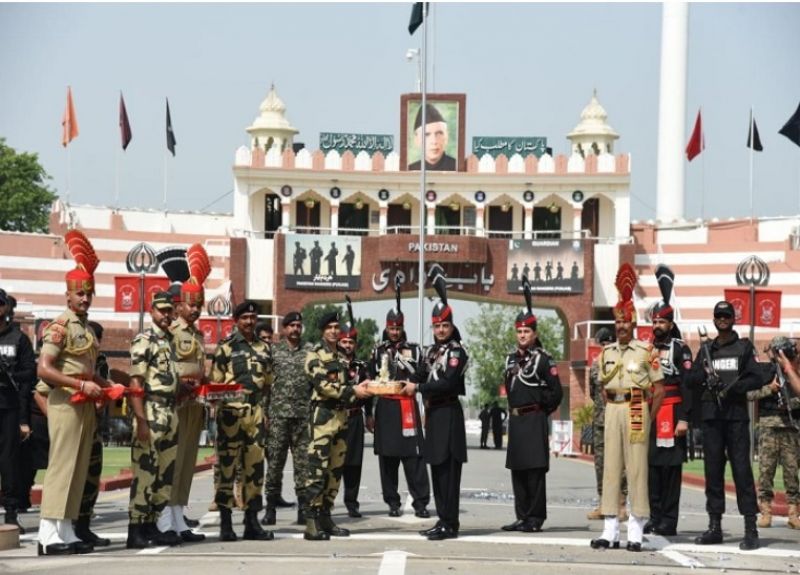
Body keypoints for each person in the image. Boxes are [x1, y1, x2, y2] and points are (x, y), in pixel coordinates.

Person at [36, 230, 109, 556]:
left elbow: (87, 368)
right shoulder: (60, 326)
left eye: (88, 293)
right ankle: (47, 534)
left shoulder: (84, 328)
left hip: (84, 405)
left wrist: (106, 387)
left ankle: (64, 529)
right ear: (67, 296)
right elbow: (44, 368)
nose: (84, 298)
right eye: (79, 294)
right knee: (62, 467)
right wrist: (81, 385)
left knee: (78, 469)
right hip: (66, 402)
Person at [590, 263, 664, 553]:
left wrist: (649, 417)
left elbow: (657, 390)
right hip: (613, 409)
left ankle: (635, 529)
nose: (621, 326)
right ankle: (610, 530)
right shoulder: (605, 353)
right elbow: (601, 388)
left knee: (636, 471)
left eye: (626, 322)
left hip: (636, 408)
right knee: (610, 470)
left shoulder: (646, 352)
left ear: (633, 323)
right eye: (617, 322)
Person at [688, 300, 765, 550]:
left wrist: (733, 389)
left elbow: (757, 376)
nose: (722, 319)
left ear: (733, 319)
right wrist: (704, 378)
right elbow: (691, 379)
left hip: (735, 418)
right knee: (712, 472)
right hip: (711, 418)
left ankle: (750, 528)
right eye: (719, 315)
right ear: (714, 319)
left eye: (726, 315)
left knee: (742, 472)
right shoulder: (706, 349)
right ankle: (714, 527)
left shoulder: (743, 348)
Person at [402, 275, 468, 541]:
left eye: (445, 325)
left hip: (449, 413)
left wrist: (417, 389)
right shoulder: (430, 352)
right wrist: (393, 384)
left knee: (449, 473)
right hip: (434, 415)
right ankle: (442, 519)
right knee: (438, 471)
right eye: (437, 326)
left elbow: (447, 382)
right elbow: (418, 375)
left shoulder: (456, 352)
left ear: (452, 326)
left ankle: (450, 524)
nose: (440, 330)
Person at [158, 244, 212, 543]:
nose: (195, 309)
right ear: (179, 305)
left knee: (188, 460)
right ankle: (165, 518)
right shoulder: (173, 332)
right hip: (175, 404)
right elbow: (167, 367)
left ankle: (179, 514)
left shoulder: (196, 334)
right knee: (173, 461)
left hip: (194, 403)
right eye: (191, 304)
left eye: (199, 304)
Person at [303, 311, 371, 541]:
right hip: (322, 419)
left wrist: (361, 387)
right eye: (329, 327)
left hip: (341, 419)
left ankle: (325, 516)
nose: (333, 330)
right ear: (322, 330)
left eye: (336, 327)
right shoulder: (314, 355)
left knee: (335, 470)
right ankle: (311, 522)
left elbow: (345, 385)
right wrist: (353, 391)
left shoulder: (341, 356)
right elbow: (323, 386)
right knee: (317, 470)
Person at [501, 281, 563, 532]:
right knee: (518, 469)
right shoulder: (510, 359)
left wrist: (541, 408)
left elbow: (555, 391)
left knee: (535, 471)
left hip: (534, 419)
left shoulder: (543, 359)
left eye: (527, 331)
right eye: (519, 332)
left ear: (535, 333)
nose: (522, 335)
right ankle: (522, 515)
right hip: (516, 420)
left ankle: (535, 518)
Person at [211, 300, 275, 542]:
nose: (250, 322)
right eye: (245, 318)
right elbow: (214, 385)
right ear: (236, 320)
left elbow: (268, 383)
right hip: (231, 414)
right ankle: (226, 524)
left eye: (253, 317)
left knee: (255, 470)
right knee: (227, 469)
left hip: (255, 413)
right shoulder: (225, 348)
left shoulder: (264, 348)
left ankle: (251, 523)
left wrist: (263, 412)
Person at [126, 292, 182, 549]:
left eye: (170, 310)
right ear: (152, 312)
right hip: (150, 410)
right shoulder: (144, 340)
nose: (166, 315)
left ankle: (153, 524)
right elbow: (135, 383)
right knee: (145, 473)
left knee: (164, 474)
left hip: (169, 412)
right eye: (162, 311)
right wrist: (142, 421)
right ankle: (135, 528)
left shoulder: (170, 341)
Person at [369, 283, 430, 518]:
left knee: (414, 457)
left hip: (407, 406)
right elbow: (368, 377)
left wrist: (414, 382)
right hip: (385, 407)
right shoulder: (377, 351)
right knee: (388, 458)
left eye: (398, 328)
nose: (395, 332)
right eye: (391, 328)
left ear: (403, 328)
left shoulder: (413, 350)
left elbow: (424, 373)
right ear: (387, 328)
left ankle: (421, 502)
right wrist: (369, 413)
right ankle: (392, 502)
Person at [645, 273, 693, 537]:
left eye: (661, 321)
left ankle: (669, 521)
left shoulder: (680, 349)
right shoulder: (647, 349)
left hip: (673, 412)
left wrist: (685, 418)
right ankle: (654, 517)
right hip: (652, 412)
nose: (657, 325)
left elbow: (688, 386)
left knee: (671, 469)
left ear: (670, 323)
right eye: (654, 321)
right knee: (652, 466)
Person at [263, 311, 311, 526]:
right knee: (275, 464)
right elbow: (265, 384)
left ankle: (303, 509)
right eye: (291, 325)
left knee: (303, 467)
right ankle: (271, 508)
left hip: (302, 417)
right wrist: (265, 412)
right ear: (284, 329)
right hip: (278, 416)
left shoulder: (310, 351)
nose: (295, 329)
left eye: (298, 325)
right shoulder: (273, 351)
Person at [749, 337, 800, 530]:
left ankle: (794, 513)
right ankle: (766, 511)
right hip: (768, 425)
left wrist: (792, 402)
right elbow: (749, 395)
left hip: (791, 426)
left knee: (791, 472)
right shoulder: (764, 372)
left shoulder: (794, 370)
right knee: (766, 471)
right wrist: (769, 389)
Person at [0, 288, 35, 534]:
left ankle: (11, 513)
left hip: (8, 407)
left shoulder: (18, 338)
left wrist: (8, 373)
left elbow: (30, 374)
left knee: (9, 462)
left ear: (6, 307)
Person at [74, 320, 111, 547]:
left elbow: (105, 389)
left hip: (93, 425)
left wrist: (102, 400)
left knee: (92, 475)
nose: (97, 343)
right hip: (74, 421)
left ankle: (84, 526)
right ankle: (69, 527)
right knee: (74, 476)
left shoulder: (100, 361)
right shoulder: (74, 360)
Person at [587, 327, 628, 521]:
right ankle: (603, 503)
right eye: (602, 344)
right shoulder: (595, 366)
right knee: (600, 464)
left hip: (620, 420)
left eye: (608, 344)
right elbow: (592, 392)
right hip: (601, 422)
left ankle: (621, 504)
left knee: (621, 464)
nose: (605, 348)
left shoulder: (625, 364)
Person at [338, 303, 374, 518]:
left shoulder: (362, 365)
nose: (347, 345)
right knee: (333, 462)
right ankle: (326, 502)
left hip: (355, 418)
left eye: (351, 342)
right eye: (344, 341)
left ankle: (351, 501)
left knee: (353, 462)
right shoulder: (332, 362)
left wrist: (369, 414)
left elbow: (369, 392)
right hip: (334, 417)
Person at [408, 103, 456, 171]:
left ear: (446, 137)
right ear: (417, 139)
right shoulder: (410, 170)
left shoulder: (456, 168)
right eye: (426, 135)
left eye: (439, 133)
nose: (434, 141)